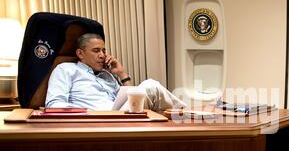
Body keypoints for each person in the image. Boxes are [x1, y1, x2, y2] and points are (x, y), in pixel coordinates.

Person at [45, 33, 186, 111]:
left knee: (156, 101)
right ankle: (189, 113)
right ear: (80, 53)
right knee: (150, 85)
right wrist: (89, 115)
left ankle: (186, 117)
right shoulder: (65, 69)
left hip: (119, 115)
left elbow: (131, 98)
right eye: (96, 51)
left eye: (103, 50)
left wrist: (121, 74)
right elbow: (54, 104)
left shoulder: (107, 75)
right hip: (97, 120)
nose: (102, 55)